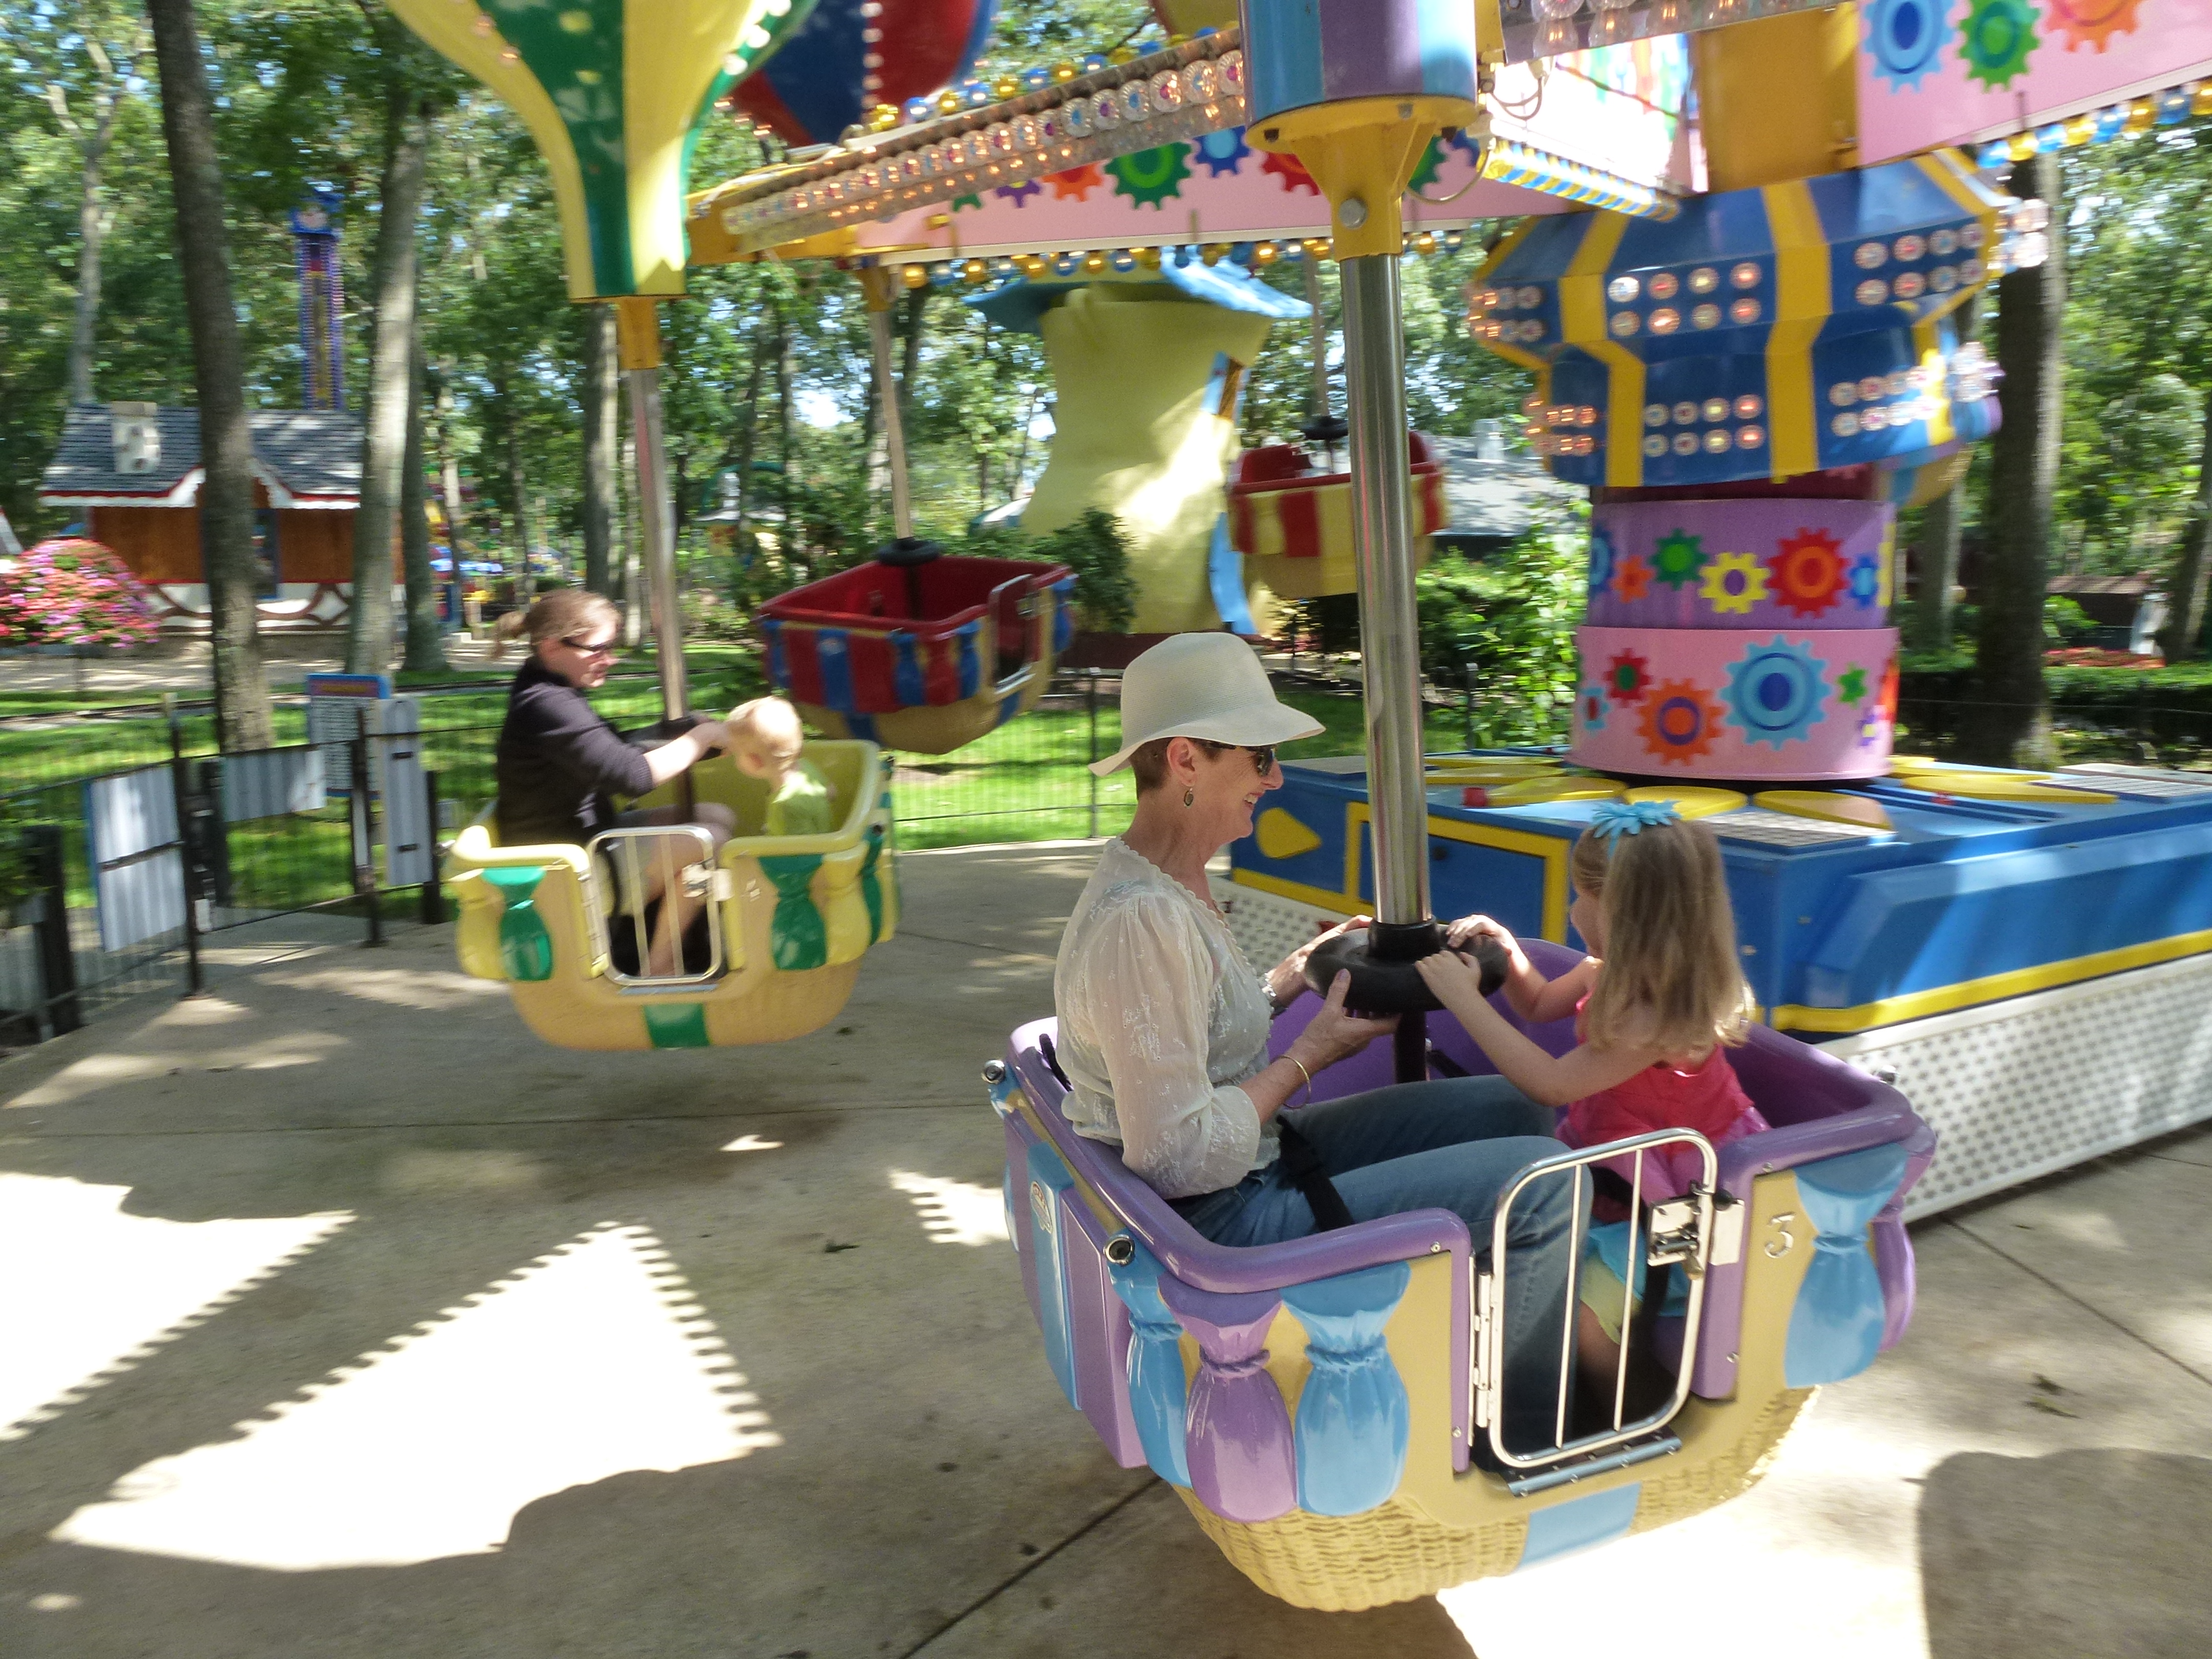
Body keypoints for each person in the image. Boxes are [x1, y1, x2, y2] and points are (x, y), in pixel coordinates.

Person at [1052, 631, 1580, 1457]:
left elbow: (1194, 1038)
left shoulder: (1166, 883)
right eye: (1259, 758)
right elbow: (1179, 1155)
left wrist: (1294, 975)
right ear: (1186, 758)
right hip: (1226, 1215)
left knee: (1520, 1109)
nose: (1275, 779)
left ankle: (1471, 1335)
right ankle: (1510, 1437)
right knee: (1545, 1188)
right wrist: (1312, 1056)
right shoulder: (1142, 921)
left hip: (1251, 1159)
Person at [1416, 799, 1768, 1374]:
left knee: (1584, 1318)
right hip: (1614, 1168)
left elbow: (1551, 1085)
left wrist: (1461, 1001)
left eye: (1582, 896)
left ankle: (1623, 1408)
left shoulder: (1659, 1018)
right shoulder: (1604, 971)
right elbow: (1537, 1003)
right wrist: (1507, 949)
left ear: (1625, 916)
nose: (1571, 908)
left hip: (1670, 1206)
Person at [495, 588, 734, 975]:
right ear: (552, 646)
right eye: (598, 649)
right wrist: (702, 739)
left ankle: (664, 940)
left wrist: (682, 734)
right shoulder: (546, 704)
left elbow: (613, 750)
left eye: (611, 647)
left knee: (717, 816)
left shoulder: (552, 691)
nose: (610, 659)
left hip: (589, 839)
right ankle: (660, 966)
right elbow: (631, 776)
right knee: (710, 840)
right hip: (565, 872)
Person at [727, 696, 835, 837]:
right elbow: (832, 792)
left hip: (804, 850)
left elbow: (796, 847)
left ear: (755, 762)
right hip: (824, 835)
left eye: (736, 753)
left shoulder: (784, 805)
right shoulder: (806, 768)